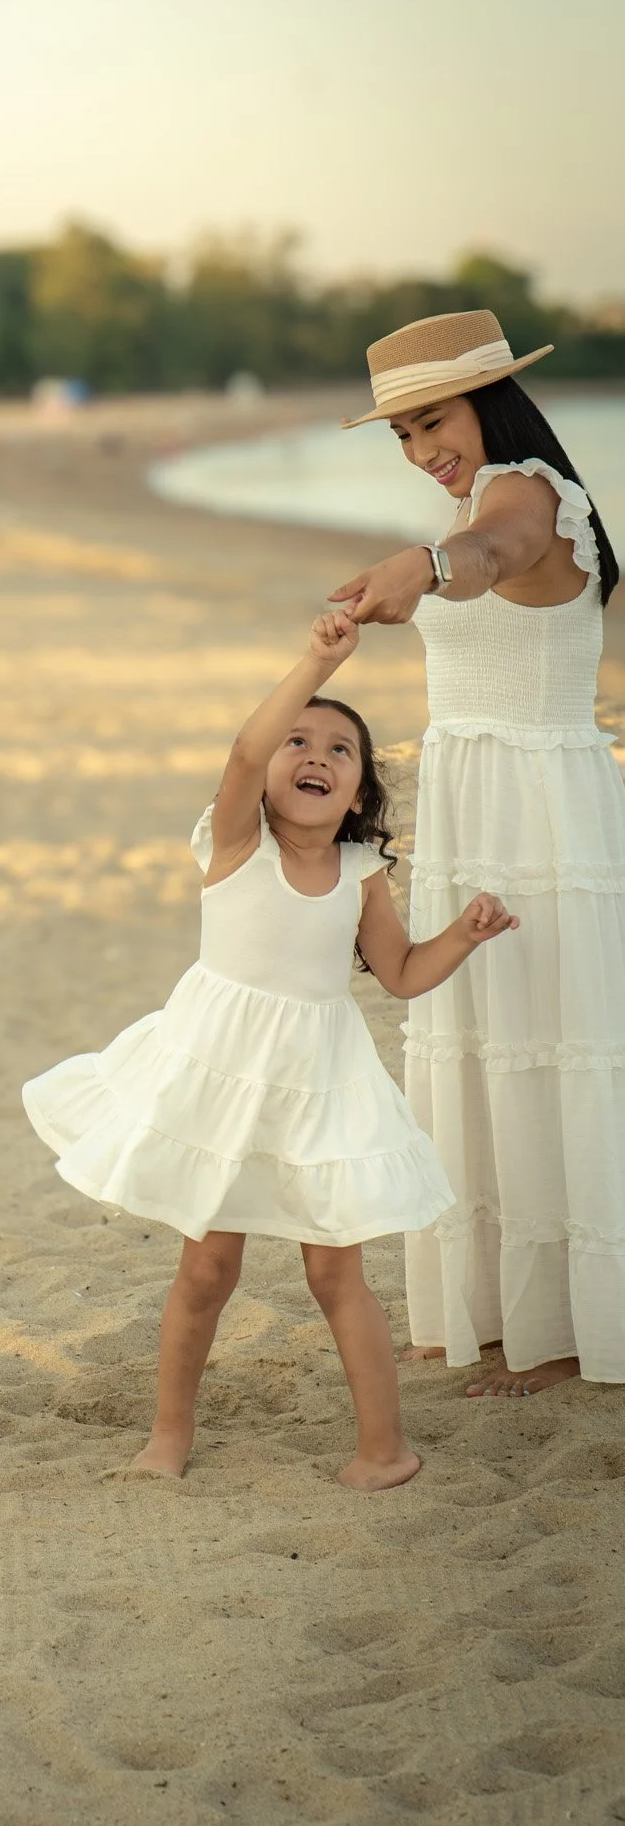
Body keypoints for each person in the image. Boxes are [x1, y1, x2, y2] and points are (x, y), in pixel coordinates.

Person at [22, 614, 518, 1490]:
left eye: (339, 749)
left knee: (337, 1271)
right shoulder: (235, 844)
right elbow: (244, 755)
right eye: (299, 740)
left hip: (319, 1084)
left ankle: (385, 1450)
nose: (314, 754)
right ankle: (168, 1436)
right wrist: (318, 661)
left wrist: (465, 938)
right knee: (208, 1267)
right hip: (222, 1079)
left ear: (360, 789)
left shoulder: (364, 871)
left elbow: (400, 974)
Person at [332, 308, 625, 1395]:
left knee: (548, 1040)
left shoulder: (526, 492)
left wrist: (420, 562)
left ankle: (561, 1334)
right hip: (470, 800)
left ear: (489, 401)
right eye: (401, 434)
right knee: (480, 1040)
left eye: (431, 421)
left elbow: (487, 554)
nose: (420, 450)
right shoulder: (472, 496)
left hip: (541, 813)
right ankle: (501, 1310)